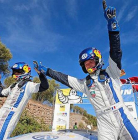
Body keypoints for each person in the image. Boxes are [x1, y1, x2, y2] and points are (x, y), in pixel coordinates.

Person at [35, 1, 138, 140]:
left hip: (123, 116)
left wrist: (112, 25)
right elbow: (63, 78)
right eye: (85, 64)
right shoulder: (84, 83)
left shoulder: (111, 72)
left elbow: (115, 52)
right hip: (104, 123)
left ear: (98, 60)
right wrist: (46, 70)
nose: (88, 65)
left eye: (91, 62)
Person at [0, 61, 49, 140]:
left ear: (24, 72)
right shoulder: (13, 85)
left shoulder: (29, 85)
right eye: (14, 72)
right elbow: (1, 93)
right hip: (1, 112)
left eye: (17, 72)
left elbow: (44, 86)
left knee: (1, 137)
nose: (15, 74)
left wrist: (40, 73)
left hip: (10, 116)